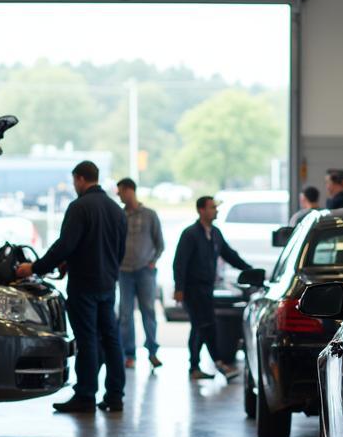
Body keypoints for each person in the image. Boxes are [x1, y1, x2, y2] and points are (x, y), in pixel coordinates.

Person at [16, 161, 127, 413]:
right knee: (111, 339)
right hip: (108, 285)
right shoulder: (116, 210)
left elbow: (65, 244)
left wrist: (34, 268)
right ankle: (115, 395)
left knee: (86, 339)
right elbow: (118, 251)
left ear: (79, 179)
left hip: (84, 285)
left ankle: (86, 396)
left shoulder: (79, 207)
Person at [173, 195, 253, 382]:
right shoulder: (190, 234)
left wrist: (249, 270)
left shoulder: (215, 233)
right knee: (203, 325)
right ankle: (215, 362)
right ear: (201, 210)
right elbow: (180, 262)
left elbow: (229, 255)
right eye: (211, 208)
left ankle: (198, 365)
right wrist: (179, 288)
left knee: (201, 327)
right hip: (192, 289)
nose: (215, 210)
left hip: (207, 288)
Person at [115, 178, 165, 370]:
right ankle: (129, 354)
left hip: (145, 271)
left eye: (121, 192)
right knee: (126, 314)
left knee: (148, 312)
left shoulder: (150, 215)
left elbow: (159, 243)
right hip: (124, 272)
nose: (119, 196)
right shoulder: (120, 216)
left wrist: (152, 262)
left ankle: (152, 351)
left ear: (130, 191)